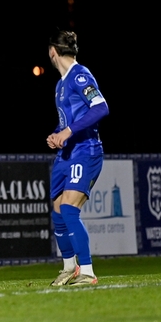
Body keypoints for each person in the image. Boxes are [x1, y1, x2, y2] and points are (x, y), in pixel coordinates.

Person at [46, 30, 109, 286]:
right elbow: (68, 121)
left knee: (70, 208)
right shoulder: (60, 84)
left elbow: (101, 107)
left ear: (54, 51)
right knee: (58, 210)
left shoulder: (80, 75)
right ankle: (69, 267)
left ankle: (87, 271)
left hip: (86, 151)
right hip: (66, 153)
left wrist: (69, 132)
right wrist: (57, 134)